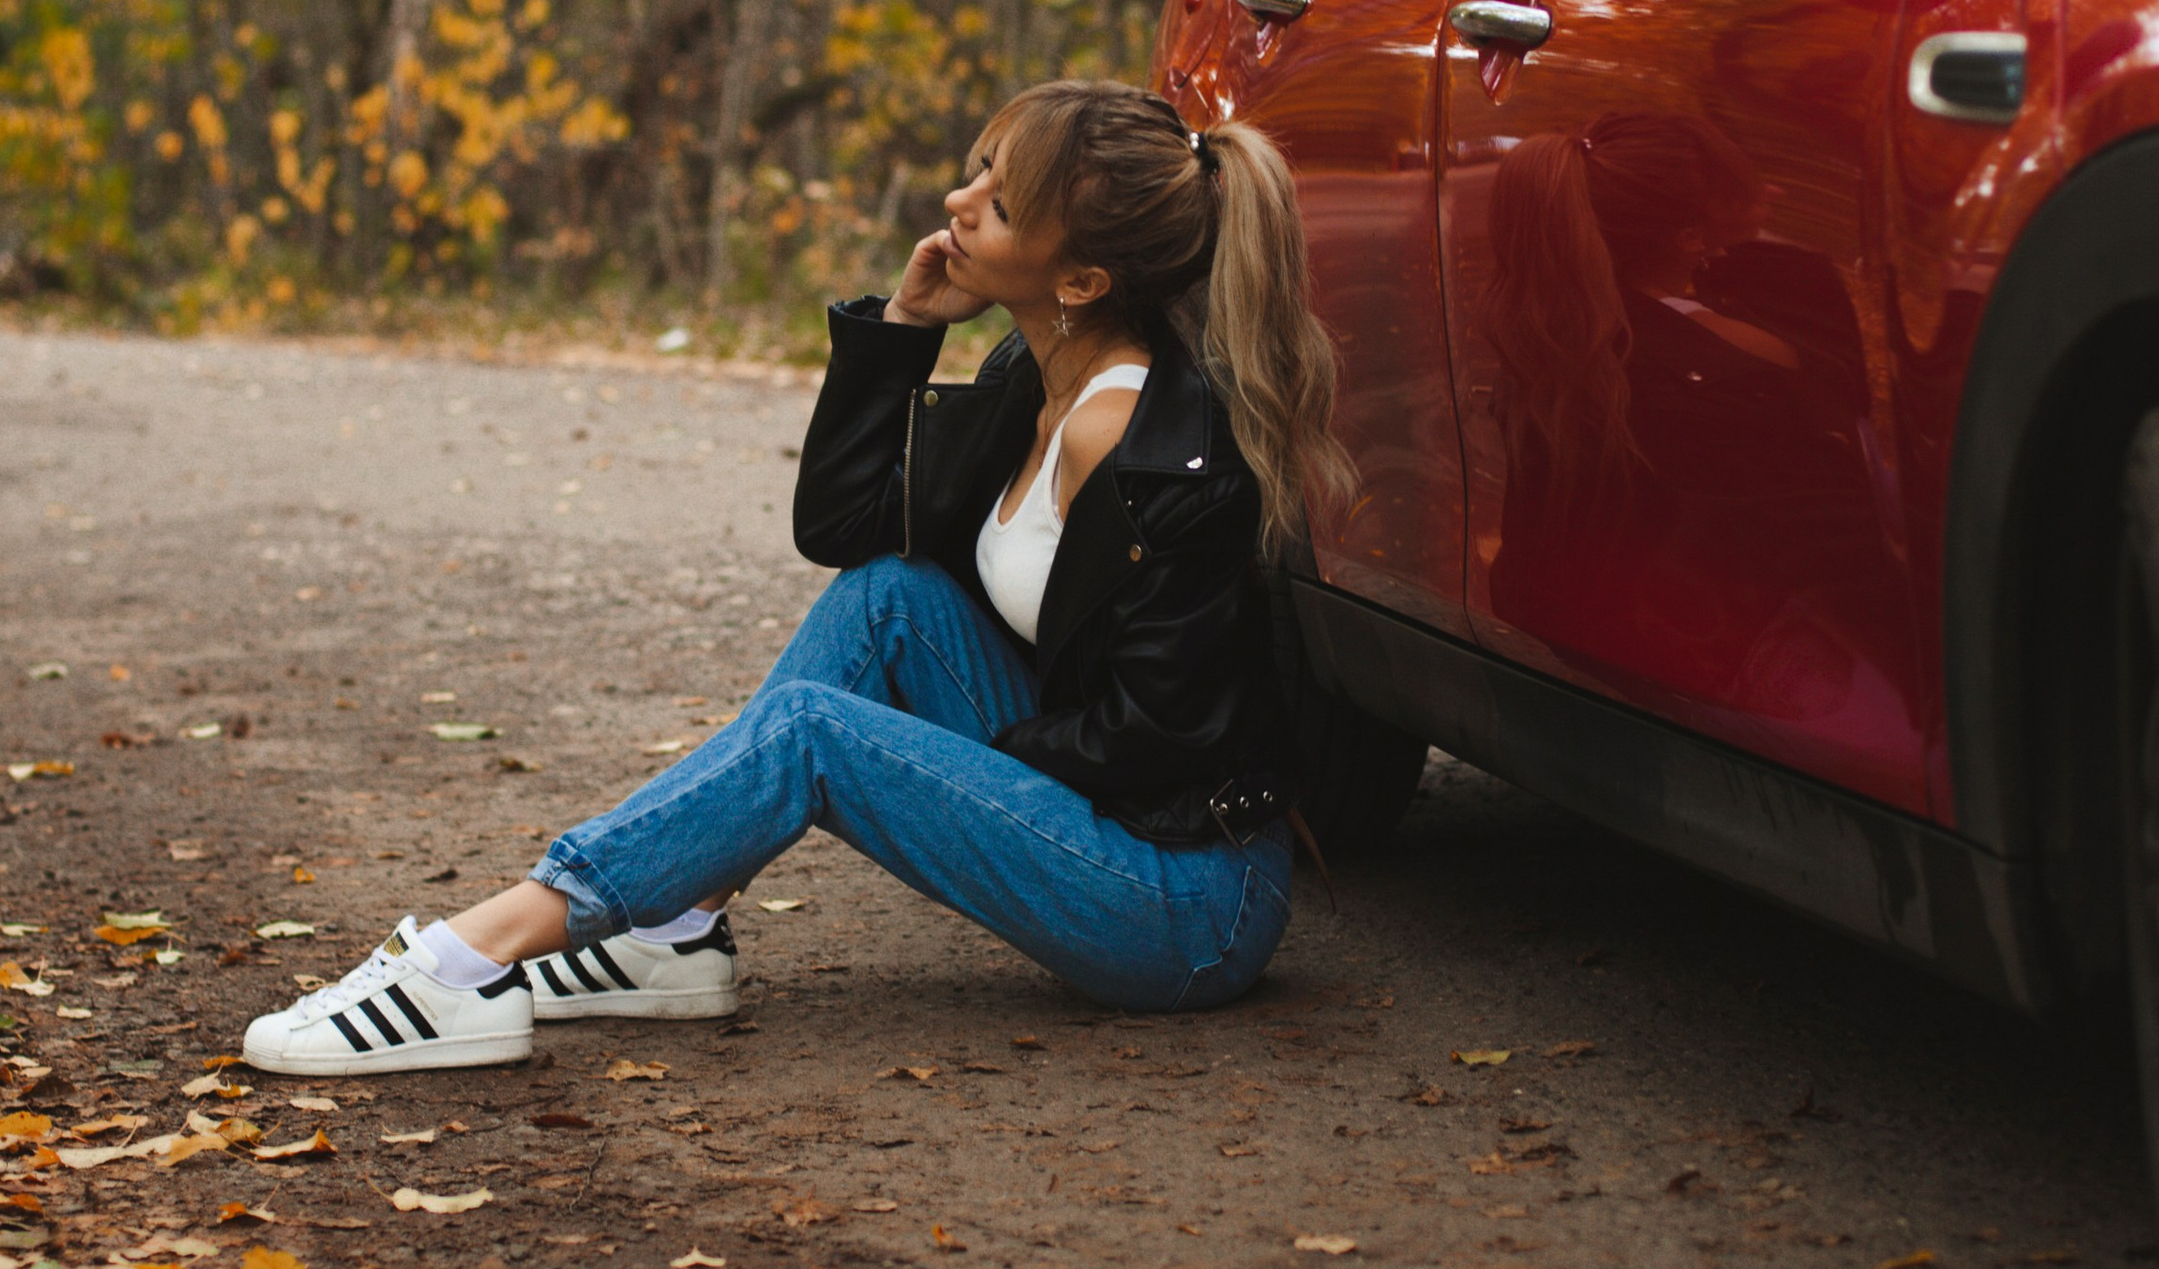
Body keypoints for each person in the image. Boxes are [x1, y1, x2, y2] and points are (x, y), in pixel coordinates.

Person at [241, 79, 1352, 1076]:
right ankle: (675, 933)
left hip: (1181, 900)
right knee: (890, 599)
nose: (959, 203)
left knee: (819, 734)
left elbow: (1154, 735)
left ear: (1084, 277)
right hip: (1106, 806)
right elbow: (847, 528)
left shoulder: (1151, 446)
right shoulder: (1035, 370)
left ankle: (469, 955)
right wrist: (906, 327)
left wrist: (926, 767)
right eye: (976, 172)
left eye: (999, 204)